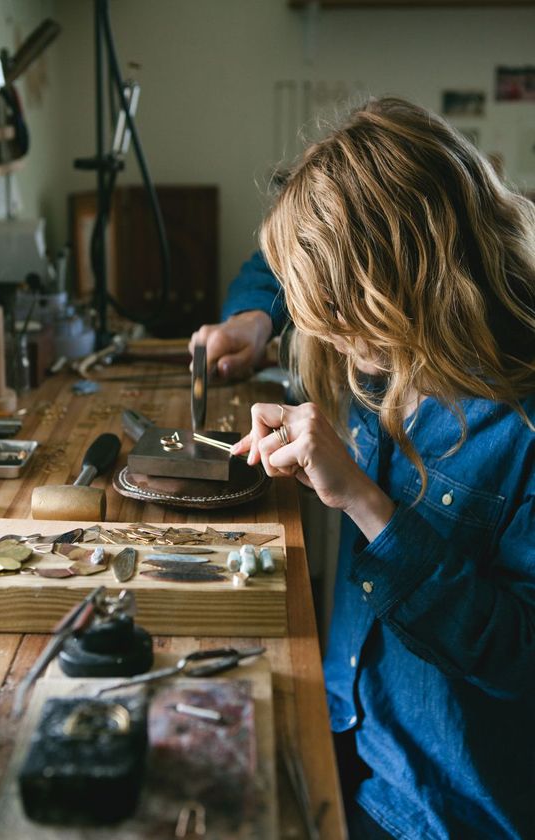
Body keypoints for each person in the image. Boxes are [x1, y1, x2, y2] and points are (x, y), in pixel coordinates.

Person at [191, 98, 535, 839]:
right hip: (352, 730)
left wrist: (364, 502)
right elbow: (281, 268)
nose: (340, 345)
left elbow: (520, 658)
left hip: (450, 808)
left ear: (411, 281)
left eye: (346, 319)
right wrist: (258, 316)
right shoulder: (389, 340)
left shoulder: (523, 420)